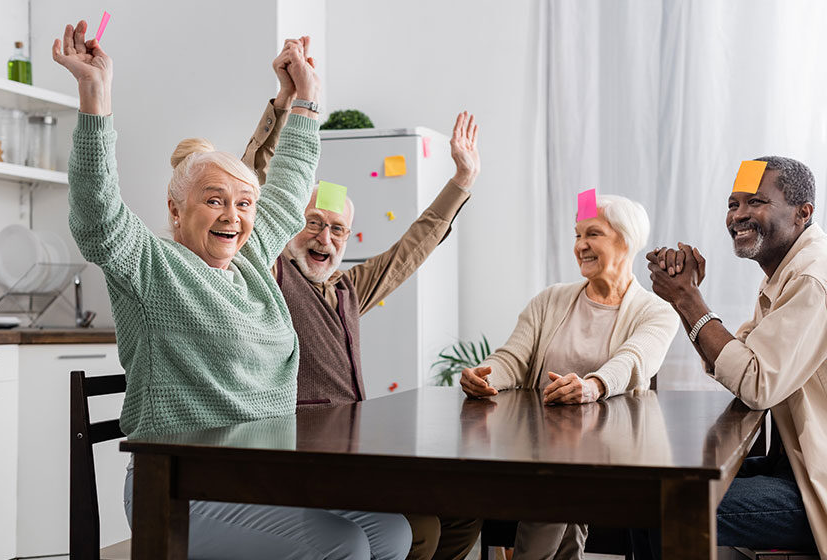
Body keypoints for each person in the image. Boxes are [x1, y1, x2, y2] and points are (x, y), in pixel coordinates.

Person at [53, 21, 410, 559]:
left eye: (244, 203)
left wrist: (307, 99)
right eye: (214, 199)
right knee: (344, 547)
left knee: (392, 531)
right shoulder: (152, 264)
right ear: (176, 210)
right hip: (182, 485)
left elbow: (289, 188)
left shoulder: (250, 263)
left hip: (262, 476)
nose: (234, 215)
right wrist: (94, 94)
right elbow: (97, 213)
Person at [241, 92, 482, 558]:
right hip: (304, 460)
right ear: (286, 225)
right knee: (423, 531)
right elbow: (254, 187)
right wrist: (282, 106)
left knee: (464, 510)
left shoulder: (348, 289)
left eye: (337, 230)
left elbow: (411, 247)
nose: (324, 237)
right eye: (312, 222)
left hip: (356, 456)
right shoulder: (272, 277)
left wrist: (463, 179)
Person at [460, 195, 680, 560]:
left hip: (615, 459)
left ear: (625, 240)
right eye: (577, 235)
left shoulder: (656, 311)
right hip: (543, 454)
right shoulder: (551, 299)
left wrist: (592, 386)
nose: (580, 245)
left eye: (592, 233)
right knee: (558, 483)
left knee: (557, 488)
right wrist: (485, 376)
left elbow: (633, 361)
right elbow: (512, 358)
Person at [639, 156, 824, 557]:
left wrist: (688, 299)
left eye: (755, 201)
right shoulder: (785, 273)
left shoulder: (811, 278)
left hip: (814, 482)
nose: (738, 215)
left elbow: (755, 383)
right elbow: (735, 360)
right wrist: (686, 298)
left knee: (662, 508)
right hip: (792, 466)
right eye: (732, 203)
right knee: (648, 492)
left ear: (802, 213)